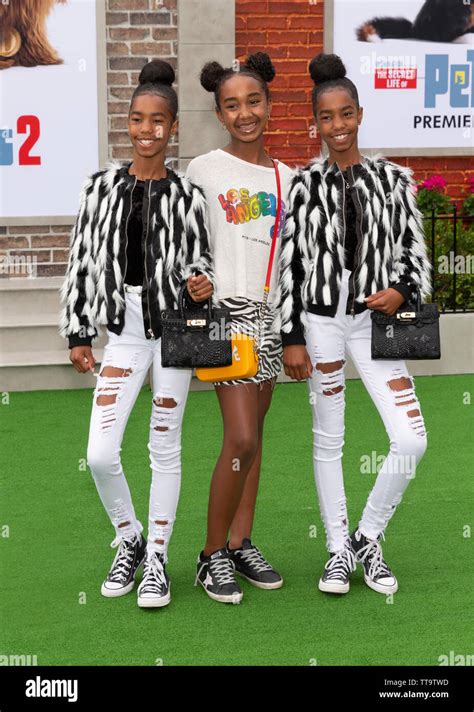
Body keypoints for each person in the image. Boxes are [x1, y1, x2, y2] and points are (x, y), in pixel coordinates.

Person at [60, 59, 214, 609]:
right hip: (123, 333)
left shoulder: (188, 196)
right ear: (126, 124)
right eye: (136, 120)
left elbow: (203, 264)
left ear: (173, 128)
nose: (146, 130)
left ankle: (157, 561)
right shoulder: (99, 189)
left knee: (163, 447)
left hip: (173, 331)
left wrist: (202, 283)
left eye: (158, 121)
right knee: (100, 453)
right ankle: (129, 537)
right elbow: (81, 262)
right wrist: (79, 329)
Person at [277, 53, 431, 595]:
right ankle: (338, 549)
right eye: (326, 117)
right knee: (329, 439)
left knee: (410, 440)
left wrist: (403, 290)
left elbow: (414, 254)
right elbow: (289, 267)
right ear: (314, 123)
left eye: (346, 114)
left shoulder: (393, 180)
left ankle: (369, 534)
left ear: (360, 115)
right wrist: (292, 336)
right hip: (320, 327)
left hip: (375, 328)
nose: (337, 126)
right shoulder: (302, 186)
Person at [186, 53, 294, 604]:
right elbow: (183, 244)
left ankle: (239, 541)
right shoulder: (203, 170)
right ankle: (209, 557)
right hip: (226, 320)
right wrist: (194, 277)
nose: (245, 112)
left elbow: (293, 262)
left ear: (270, 106)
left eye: (253, 101)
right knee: (241, 437)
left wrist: (292, 332)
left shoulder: (288, 179)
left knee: (256, 442)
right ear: (219, 114)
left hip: (269, 319)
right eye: (232, 105)